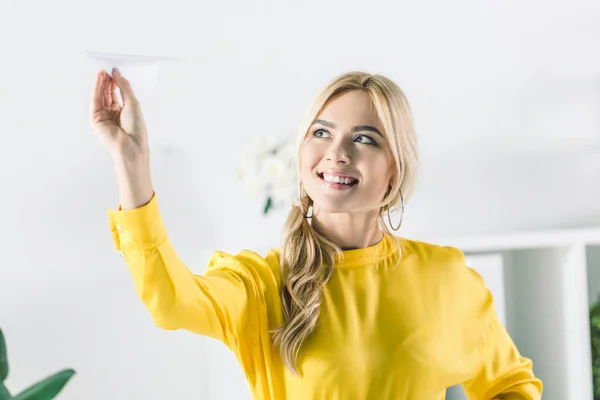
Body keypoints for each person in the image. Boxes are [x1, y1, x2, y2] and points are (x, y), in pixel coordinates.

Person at [90, 68, 543, 400]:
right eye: (322, 132)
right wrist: (132, 166)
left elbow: (508, 384)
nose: (337, 153)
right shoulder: (261, 283)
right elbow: (171, 303)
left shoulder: (447, 277)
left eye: (365, 138)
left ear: (395, 168)